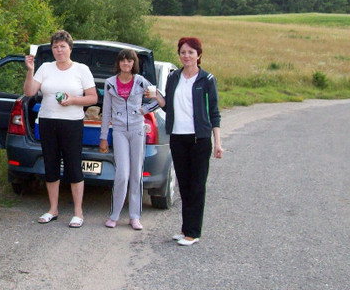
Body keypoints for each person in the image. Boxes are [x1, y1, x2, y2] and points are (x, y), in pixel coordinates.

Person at [150, 37, 223, 246]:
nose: (186, 56)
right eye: (183, 52)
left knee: (197, 185)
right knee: (184, 185)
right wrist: (156, 96)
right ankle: (185, 229)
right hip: (178, 137)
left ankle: (193, 232)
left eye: (191, 52)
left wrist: (217, 142)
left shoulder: (207, 79)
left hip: (199, 139)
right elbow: (168, 107)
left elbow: (214, 113)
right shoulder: (173, 78)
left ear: (198, 55)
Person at [24, 30, 98, 228]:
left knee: (74, 166)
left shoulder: (81, 70)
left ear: (70, 48)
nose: (59, 50)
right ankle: (53, 209)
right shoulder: (45, 68)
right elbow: (29, 92)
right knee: (51, 165)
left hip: (72, 123)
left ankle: (78, 212)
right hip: (48, 121)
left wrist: (73, 100)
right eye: (55, 47)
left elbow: (93, 98)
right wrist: (30, 70)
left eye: (62, 46)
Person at [99, 49, 155, 231]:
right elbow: (106, 111)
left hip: (138, 130)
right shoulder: (109, 84)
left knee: (136, 174)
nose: (126, 64)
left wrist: (144, 110)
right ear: (119, 63)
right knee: (122, 174)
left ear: (134, 63)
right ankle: (114, 215)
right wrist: (103, 137)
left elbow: (158, 99)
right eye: (123, 61)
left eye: (129, 61)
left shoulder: (140, 82)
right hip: (119, 131)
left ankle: (134, 216)